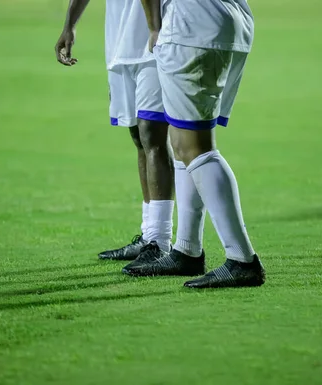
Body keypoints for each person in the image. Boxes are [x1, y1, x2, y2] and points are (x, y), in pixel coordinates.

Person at [121, 0, 266, 288]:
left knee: (194, 147)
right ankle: (186, 250)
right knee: (182, 140)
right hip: (231, 17)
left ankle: (242, 260)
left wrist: (154, 29)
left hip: (190, 25)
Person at [55, 0, 175, 261]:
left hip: (154, 42)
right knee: (137, 137)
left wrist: (155, 28)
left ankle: (160, 240)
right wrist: (70, 25)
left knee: (152, 134)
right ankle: (148, 234)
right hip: (119, 43)